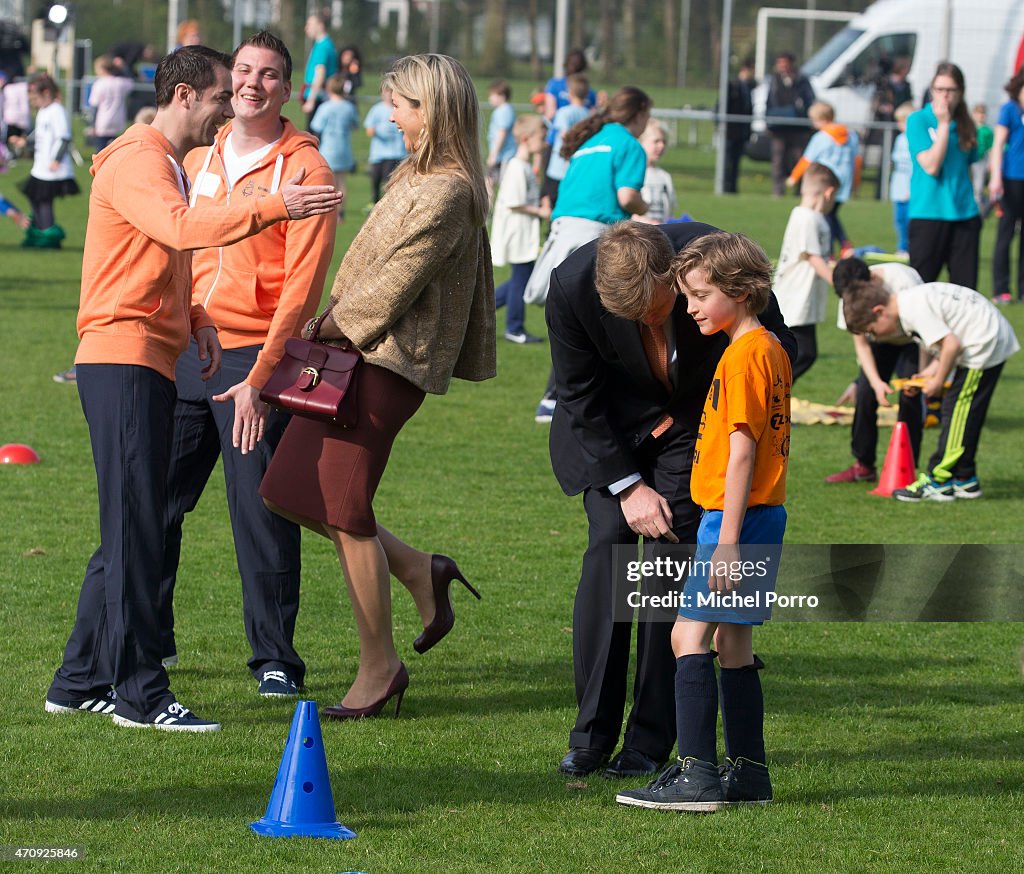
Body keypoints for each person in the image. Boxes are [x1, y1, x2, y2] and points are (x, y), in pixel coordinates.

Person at [43, 45, 342, 733]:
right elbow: (180, 231)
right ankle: (141, 695)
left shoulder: (169, 161)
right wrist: (275, 206)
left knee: (143, 521)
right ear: (185, 96)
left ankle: (81, 679)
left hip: (163, 352)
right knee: (139, 525)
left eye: (259, 79)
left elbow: (158, 256)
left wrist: (197, 316)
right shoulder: (144, 159)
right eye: (220, 92)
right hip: (126, 358)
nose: (230, 102)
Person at [259, 53, 494, 721]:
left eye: (400, 105)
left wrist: (325, 323)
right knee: (285, 491)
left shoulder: (448, 191)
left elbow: (395, 284)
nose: (388, 115)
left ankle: (379, 668)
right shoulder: (418, 176)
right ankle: (421, 569)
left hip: (381, 364)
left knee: (345, 509)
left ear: (432, 112)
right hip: (352, 353)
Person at [547, 220, 796, 780]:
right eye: (635, 321)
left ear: (677, 276)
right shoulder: (570, 285)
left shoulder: (717, 261)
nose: (657, 323)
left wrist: (713, 421)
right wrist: (629, 486)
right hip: (608, 436)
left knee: (669, 565)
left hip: (697, 433)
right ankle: (591, 735)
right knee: (610, 547)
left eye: (663, 309)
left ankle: (649, 741)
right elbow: (578, 397)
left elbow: (780, 348)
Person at [158, 31, 337, 696]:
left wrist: (261, 381)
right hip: (187, 348)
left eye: (268, 74)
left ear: (288, 89)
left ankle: (274, 659)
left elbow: (302, 288)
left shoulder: (306, 173)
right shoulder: (199, 157)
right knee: (160, 500)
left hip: (256, 360)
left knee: (258, 512)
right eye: (242, 70)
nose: (252, 83)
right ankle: (152, 637)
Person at [616, 232, 791, 811]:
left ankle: (696, 774)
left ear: (739, 292)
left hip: (733, 522)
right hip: (764, 517)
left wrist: (728, 541)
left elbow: (742, 451)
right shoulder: (767, 347)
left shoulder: (743, 358)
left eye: (699, 295)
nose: (689, 308)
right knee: (734, 644)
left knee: (686, 636)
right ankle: (748, 773)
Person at [526, 86, 652, 423]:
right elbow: (626, 198)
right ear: (639, 114)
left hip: (562, 232)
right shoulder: (629, 144)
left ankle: (564, 398)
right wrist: (646, 208)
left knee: (583, 319)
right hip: (593, 237)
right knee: (607, 320)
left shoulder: (589, 141)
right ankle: (558, 398)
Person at [843, 279, 1019, 501]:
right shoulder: (909, 302)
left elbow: (952, 345)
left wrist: (937, 382)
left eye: (872, 331)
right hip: (984, 335)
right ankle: (965, 478)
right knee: (965, 413)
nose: (876, 337)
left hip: (983, 342)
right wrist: (929, 375)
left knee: (956, 412)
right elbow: (948, 343)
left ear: (879, 311)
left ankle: (940, 480)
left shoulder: (912, 311)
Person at [825, 257, 926, 484]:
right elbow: (861, 344)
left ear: (870, 281)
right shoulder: (849, 295)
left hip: (913, 342)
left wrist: (925, 373)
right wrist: (874, 382)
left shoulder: (902, 280)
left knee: (910, 396)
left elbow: (925, 329)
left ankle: (907, 469)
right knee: (866, 394)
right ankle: (864, 465)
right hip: (879, 343)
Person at [907, 62, 980, 286]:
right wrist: (944, 124)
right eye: (939, 89)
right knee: (921, 288)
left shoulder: (967, 124)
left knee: (966, 292)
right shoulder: (918, 120)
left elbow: (967, 168)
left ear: (960, 92)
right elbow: (931, 166)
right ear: (931, 90)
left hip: (963, 214)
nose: (945, 96)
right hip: (929, 213)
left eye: (951, 90)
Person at [773, 162, 837, 382]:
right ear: (829, 192)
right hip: (794, 298)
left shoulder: (813, 217)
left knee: (802, 355)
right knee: (803, 354)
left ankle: (775, 401)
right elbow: (812, 256)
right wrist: (838, 283)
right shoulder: (805, 216)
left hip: (804, 300)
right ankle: (769, 397)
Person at [491, 114, 550, 345]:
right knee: (521, 278)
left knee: (521, 278)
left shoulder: (525, 165)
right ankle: (514, 328)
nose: (544, 142)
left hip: (523, 229)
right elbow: (514, 202)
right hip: (516, 231)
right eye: (541, 138)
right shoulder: (516, 166)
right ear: (526, 138)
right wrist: (541, 211)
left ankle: (482, 311)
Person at [787, 101, 861, 256]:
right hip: (843, 183)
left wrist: (794, 177)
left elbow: (807, 159)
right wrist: (855, 181)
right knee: (831, 214)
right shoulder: (851, 135)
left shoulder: (821, 138)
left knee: (825, 215)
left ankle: (833, 250)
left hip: (824, 182)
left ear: (820, 119)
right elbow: (857, 160)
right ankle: (843, 246)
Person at [14, 73, 78, 249]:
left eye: (35, 98)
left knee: (43, 199)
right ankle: (40, 229)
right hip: (40, 166)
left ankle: (48, 233)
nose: (33, 102)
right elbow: (39, 134)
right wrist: (24, 142)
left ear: (47, 93)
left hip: (52, 168)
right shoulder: (43, 111)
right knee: (34, 196)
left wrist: (56, 159)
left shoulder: (57, 111)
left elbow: (64, 137)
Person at [989, 65, 1024, 304]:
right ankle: (1001, 288)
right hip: (1011, 181)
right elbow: (998, 144)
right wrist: (995, 177)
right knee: (1006, 233)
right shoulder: (1009, 110)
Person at [765, 52, 815, 197]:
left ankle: (800, 190)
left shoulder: (802, 80)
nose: (782, 66)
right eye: (780, 63)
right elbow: (769, 101)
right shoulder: (774, 80)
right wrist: (769, 122)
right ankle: (778, 191)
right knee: (778, 160)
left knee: (799, 160)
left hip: (798, 128)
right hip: (779, 128)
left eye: (785, 63)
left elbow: (809, 100)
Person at [311, 72, 359, 220]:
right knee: (341, 181)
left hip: (328, 149)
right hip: (344, 148)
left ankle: (327, 211)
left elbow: (316, 126)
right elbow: (355, 125)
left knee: (327, 182)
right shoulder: (349, 107)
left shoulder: (325, 107)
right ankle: (340, 213)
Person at [540, 72, 590, 213]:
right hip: (577, 167)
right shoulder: (589, 115)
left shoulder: (564, 112)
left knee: (551, 202)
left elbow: (564, 136)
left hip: (558, 167)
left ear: (570, 92)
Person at [363, 85, 406, 204]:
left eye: (390, 92)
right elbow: (369, 129)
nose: (387, 95)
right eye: (385, 92)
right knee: (375, 181)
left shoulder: (400, 109)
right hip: (378, 154)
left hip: (395, 153)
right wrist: (379, 132)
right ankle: (374, 204)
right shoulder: (376, 109)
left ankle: (388, 205)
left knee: (389, 182)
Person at [635, 118, 677, 225]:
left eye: (664, 141)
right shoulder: (633, 174)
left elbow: (669, 212)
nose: (661, 146)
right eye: (656, 141)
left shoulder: (664, 176)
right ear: (640, 142)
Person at [87, 56, 134, 152]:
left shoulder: (99, 84)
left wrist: (92, 125)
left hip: (102, 123)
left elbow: (94, 106)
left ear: (102, 69)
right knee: (115, 153)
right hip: (118, 122)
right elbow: (131, 82)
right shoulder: (120, 82)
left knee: (101, 153)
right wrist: (123, 68)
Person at [723, 57, 755, 194]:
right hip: (731, 130)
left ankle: (733, 187)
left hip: (742, 131)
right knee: (727, 161)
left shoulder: (749, 87)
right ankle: (725, 186)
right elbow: (724, 105)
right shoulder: (732, 85)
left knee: (736, 161)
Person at [300, 13, 337, 127]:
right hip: (320, 97)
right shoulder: (324, 44)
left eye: (310, 24)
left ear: (320, 26)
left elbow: (320, 73)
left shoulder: (323, 46)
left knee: (313, 137)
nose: (306, 28)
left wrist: (311, 100)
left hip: (319, 98)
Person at [890, 102, 914, 257]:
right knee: (898, 218)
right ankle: (901, 246)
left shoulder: (914, 139)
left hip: (908, 184)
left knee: (908, 219)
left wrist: (910, 188)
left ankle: (907, 247)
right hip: (898, 182)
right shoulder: (900, 138)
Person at [485, 80, 516, 193]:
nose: (490, 98)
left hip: (504, 156)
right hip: (500, 156)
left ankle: (498, 208)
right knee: (488, 182)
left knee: (503, 185)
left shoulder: (504, 111)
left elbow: (502, 133)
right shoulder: (502, 110)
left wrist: (494, 154)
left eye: (492, 95)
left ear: (502, 96)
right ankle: (487, 209)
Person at [970, 103, 993, 213]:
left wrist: (991, 163)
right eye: (979, 113)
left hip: (981, 160)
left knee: (979, 185)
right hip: (970, 160)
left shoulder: (987, 131)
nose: (981, 116)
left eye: (983, 113)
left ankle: (978, 207)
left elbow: (991, 148)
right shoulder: (970, 128)